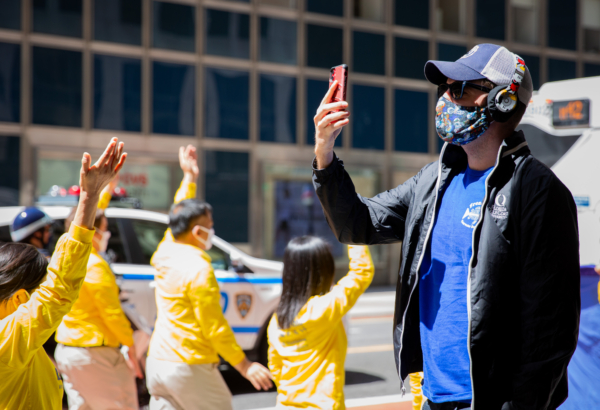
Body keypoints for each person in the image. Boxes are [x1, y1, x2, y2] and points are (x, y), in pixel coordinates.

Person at [312, 43, 580, 410]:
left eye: (459, 90)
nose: (445, 102)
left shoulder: (537, 190)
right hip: (433, 398)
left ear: (502, 100)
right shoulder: (433, 181)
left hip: (492, 401)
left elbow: (551, 329)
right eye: (444, 91)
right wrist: (324, 155)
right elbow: (357, 224)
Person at [0, 138, 127, 410]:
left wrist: (98, 195)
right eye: (38, 289)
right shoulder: (4, 340)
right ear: (18, 299)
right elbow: (59, 287)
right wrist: (89, 197)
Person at [145, 145, 273, 410]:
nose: (213, 230)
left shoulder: (167, 248)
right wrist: (244, 365)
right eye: (210, 225)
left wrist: (189, 178)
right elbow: (214, 326)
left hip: (158, 362)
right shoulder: (199, 268)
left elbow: (177, 214)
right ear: (197, 232)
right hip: (189, 366)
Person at [53, 177, 142, 410]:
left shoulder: (63, 256)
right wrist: (131, 348)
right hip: (95, 355)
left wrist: (107, 188)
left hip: (68, 351)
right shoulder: (94, 265)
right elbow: (112, 313)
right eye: (104, 230)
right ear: (94, 233)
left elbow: (90, 217)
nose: (107, 234)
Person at [267, 238, 374, 410]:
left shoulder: (278, 319)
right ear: (323, 271)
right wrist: (353, 233)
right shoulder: (324, 308)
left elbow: (275, 366)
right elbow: (362, 272)